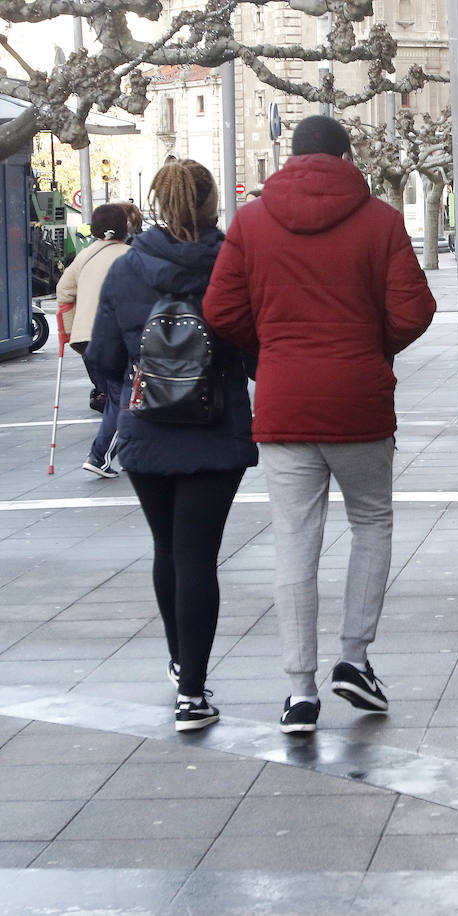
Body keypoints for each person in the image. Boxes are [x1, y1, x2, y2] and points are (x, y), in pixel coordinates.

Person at [203, 115, 437, 734]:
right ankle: (354, 659)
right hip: (359, 400)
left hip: (284, 402)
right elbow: (415, 310)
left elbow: (220, 308)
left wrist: (274, 347)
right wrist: (371, 346)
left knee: (294, 543)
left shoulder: (251, 221)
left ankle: (299, 692)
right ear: (345, 156)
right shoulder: (382, 221)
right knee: (371, 522)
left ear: (292, 159)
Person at [86, 160, 257, 733]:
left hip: (147, 432)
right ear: (212, 206)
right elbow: (254, 351)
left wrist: (131, 385)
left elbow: (104, 356)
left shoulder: (128, 268)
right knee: (197, 555)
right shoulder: (233, 265)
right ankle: (191, 693)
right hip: (216, 432)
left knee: (167, 549)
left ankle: (182, 664)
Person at [56, 203, 135, 478]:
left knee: (115, 395)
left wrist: (73, 327)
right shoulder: (130, 255)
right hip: (118, 336)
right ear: (125, 227)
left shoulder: (84, 256)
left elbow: (63, 291)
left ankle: (120, 453)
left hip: (87, 340)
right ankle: (100, 455)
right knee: (121, 396)